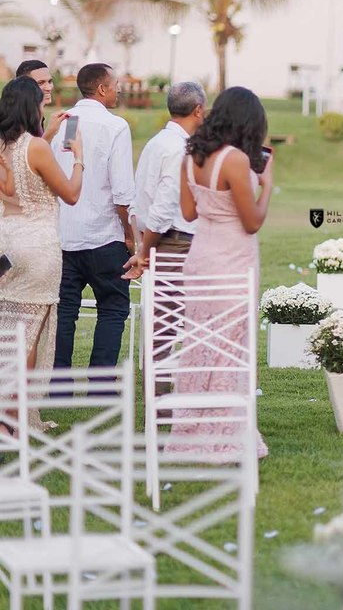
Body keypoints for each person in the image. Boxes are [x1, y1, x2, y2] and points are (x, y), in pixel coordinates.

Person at [166, 86, 272, 459]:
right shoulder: (236, 161)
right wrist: (269, 186)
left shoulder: (190, 155)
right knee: (231, 345)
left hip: (201, 258)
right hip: (232, 258)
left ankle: (192, 427)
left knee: (200, 343)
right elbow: (252, 221)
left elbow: (190, 213)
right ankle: (225, 431)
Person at [0, 77, 84, 430]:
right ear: (32, 107)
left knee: (7, 330)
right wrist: (79, 159)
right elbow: (70, 194)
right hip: (37, 247)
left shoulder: (5, 146)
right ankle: (15, 419)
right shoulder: (35, 147)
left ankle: (7, 415)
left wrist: (47, 138)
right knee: (30, 333)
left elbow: (23, 171)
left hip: (6, 243)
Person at [123, 82, 207, 398]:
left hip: (157, 240)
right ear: (198, 109)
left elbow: (137, 202)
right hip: (174, 243)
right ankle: (163, 403)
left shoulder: (157, 142)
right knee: (171, 326)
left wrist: (142, 242)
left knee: (162, 325)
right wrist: (145, 250)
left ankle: (162, 401)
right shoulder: (180, 149)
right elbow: (163, 207)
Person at [50, 63, 135, 370]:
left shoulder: (66, 122)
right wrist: (129, 234)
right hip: (104, 236)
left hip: (65, 234)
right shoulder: (115, 126)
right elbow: (123, 190)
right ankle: (101, 383)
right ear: (101, 88)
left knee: (64, 311)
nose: (119, 89)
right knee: (112, 308)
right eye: (116, 84)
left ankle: (58, 384)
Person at [15, 59, 66, 142]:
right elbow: (30, 153)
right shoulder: (17, 118)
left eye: (50, 81)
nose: (49, 87)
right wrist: (50, 132)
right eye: (40, 83)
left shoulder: (37, 115)